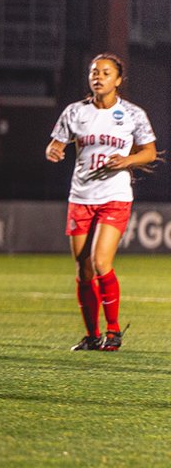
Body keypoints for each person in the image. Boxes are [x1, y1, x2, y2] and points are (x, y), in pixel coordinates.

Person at [44, 52, 158, 352]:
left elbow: (149, 152)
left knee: (100, 262)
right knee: (83, 270)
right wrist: (53, 150)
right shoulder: (75, 112)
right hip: (81, 197)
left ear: (118, 80)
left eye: (106, 73)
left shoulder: (132, 114)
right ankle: (92, 336)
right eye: (94, 72)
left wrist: (127, 160)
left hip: (115, 196)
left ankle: (114, 331)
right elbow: (56, 143)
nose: (98, 77)